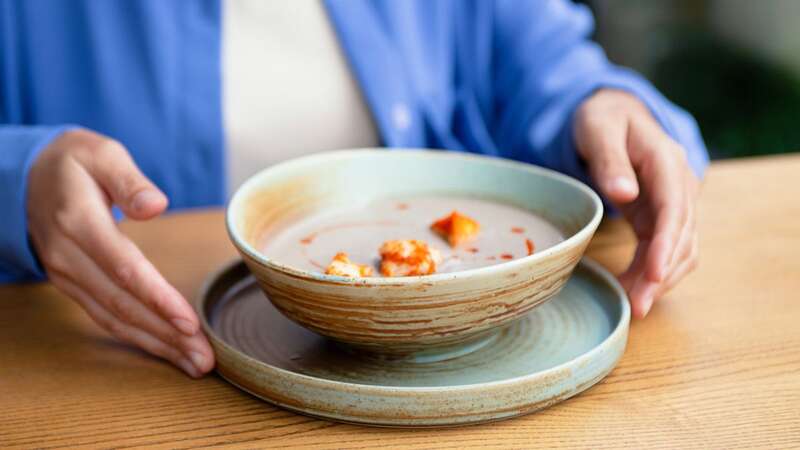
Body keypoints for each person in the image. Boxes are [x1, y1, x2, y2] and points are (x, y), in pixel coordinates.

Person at [0, 0, 708, 378]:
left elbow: (548, 65)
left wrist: (604, 107)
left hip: (471, 373)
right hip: (132, 371)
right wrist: (19, 177)